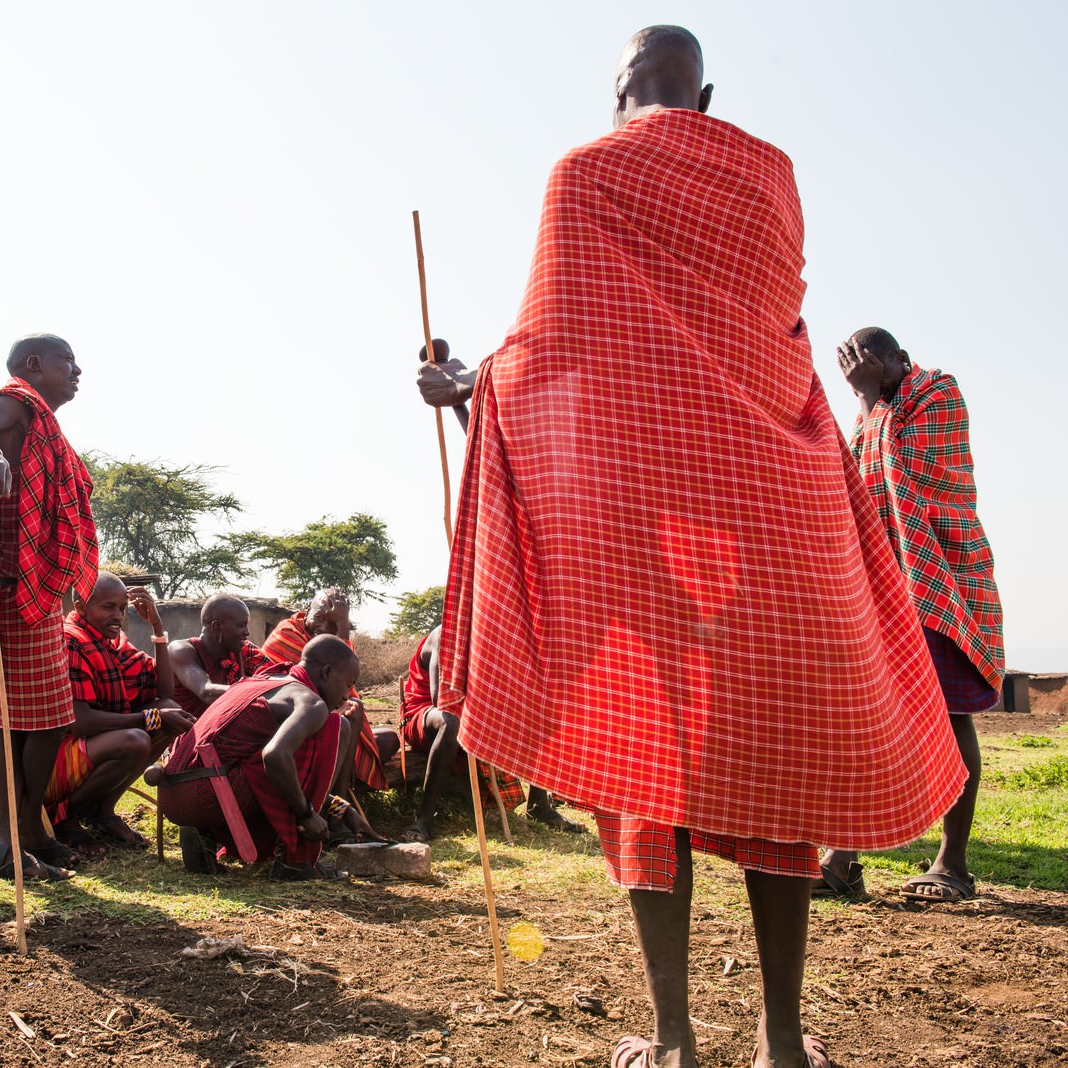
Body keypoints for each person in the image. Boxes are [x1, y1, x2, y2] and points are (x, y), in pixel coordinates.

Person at [417, 28, 966, 1068]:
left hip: (642, 534)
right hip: (779, 509)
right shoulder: (771, 177)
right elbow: (765, 337)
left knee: (642, 770)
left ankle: (672, 1045)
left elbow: (552, 363)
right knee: (779, 768)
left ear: (614, 94)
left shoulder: (582, 171)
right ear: (705, 96)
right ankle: (784, 1045)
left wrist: (466, 389)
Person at [814, 328, 1004, 903]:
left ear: (901, 358)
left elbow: (906, 476)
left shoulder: (939, 396)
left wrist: (870, 396)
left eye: (872, 360)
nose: (863, 370)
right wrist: (868, 404)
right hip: (886, 588)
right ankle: (843, 861)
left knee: (949, 717)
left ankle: (954, 864)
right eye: (854, 365)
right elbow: (855, 492)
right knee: (866, 719)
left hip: (942, 585)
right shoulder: (870, 418)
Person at [0, 334, 99, 881]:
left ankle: (28, 830)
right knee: (29, 721)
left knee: (39, 721)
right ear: (34, 366)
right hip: (8, 590)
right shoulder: (13, 404)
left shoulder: (43, 424)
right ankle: (10, 841)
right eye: (67, 362)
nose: (77, 372)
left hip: (37, 591)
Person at [154, 635, 362, 881]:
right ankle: (295, 861)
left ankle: (203, 831)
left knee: (261, 753)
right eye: (348, 683)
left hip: (173, 791)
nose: (347, 696)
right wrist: (307, 814)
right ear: (327, 672)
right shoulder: (311, 702)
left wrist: (337, 806)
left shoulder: (261, 679)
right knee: (334, 726)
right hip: (208, 794)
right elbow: (274, 756)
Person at [49, 573, 193, 851]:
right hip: (57, 758)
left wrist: (157, 627)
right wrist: (148, 719)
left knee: (169, 715)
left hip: (94, 744)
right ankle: (65, 820)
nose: (118, 615)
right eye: (108, 607)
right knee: (138, 738)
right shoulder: (72, 641)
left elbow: (165, 694)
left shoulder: (113, 645)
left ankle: (102, 813)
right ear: (80, 609)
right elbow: (80, 722)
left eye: (122, 608)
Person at [398, 627, 582, 840]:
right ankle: (423, 819)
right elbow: (440, 699)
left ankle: (538, 806)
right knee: (451, 722)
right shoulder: (445, 636)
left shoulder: (494, 636)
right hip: (424, 717)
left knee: (541, 713)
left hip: (474, 714)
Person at [261, 587, 400, 791]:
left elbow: (345, 684)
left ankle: (339, 782)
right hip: (288, 721)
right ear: (307, 611)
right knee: (350, 714)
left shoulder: (327, 642)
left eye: (333, 624)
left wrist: (343, 624)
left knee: (387, 737)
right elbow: (319, 689)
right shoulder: (287, 633)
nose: (323, 627)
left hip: (319, 713)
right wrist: (341, 627)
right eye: (319, 617)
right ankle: (340, 793)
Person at [169, 594, 270, 716]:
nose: (247, 632)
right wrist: (252, 693)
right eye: (240, 625)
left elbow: (272, 675)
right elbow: (206, 692)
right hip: (191, 731)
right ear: (216, 627)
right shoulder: (182, 650)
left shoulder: (244, 651)